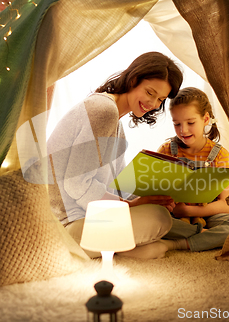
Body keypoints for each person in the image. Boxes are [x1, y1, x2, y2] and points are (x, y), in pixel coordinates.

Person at [46, 52, 183, 259]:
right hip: (68, 227)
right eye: (150, 92)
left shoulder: (114, 119)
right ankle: (166, 245)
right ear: (134, 79)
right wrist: (132, 205)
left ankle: (125, 249)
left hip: (84, 218)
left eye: (160, 99)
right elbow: (76, 184)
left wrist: (148, 197)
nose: (153, 104)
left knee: (159, 212)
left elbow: (117, 184)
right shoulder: (103, 110)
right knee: (159, 218)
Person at [156, 87, 229, 252]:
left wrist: (187, 210)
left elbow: (223, 203)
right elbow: (157, 191)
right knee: (152, 220)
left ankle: (179, 243)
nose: (183, 130)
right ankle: (202, 235)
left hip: (208, 211)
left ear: (206, 119)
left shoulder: (219, 153)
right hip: (174, 215)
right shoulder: (166, 150)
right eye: (176, 124)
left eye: (190, 123)